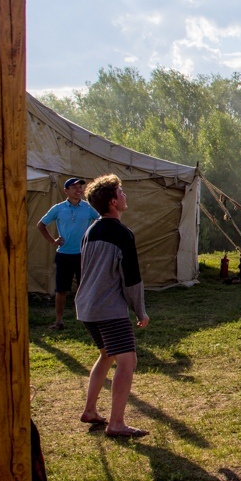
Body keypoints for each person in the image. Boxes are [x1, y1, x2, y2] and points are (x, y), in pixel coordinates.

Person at [77, 174, 150, 438]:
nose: (125, 196)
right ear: (112, 201)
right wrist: (140, 311)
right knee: (127, 362)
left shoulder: (90, 231)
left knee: (107, 354)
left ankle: (90, 411)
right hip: (108, 309)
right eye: (121, 192)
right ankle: (116, 423)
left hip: (87, 307)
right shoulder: (122, 234)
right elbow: (131, 279)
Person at [36, 177, 101, 329]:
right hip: (64, 254)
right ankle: (59, 320)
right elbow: (41, 225)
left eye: (80, 187)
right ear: (66, 191)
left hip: (83, 254)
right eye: (74, 187)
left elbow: (102, 221)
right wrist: (53, 241)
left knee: (84, 288)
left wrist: (93, 240)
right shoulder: (58, 209)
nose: (78, 190)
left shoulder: (87, 207)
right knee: (61, 289)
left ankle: (89, 320)